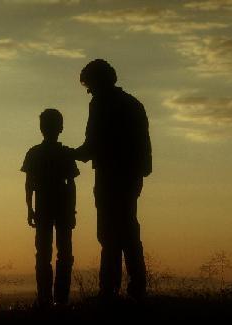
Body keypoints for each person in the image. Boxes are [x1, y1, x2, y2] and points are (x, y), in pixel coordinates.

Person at [74, 59, 152, 302]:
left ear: (97, 83)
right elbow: (145, 146)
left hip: (110, 175)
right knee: (128, 230)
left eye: (89, 85)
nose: (88, 90)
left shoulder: (100, 104)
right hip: (131, 176)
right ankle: (136, 288)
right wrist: (140, 171)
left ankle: (109, 290)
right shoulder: (133, 104)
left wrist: (68, 153)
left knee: (109, 233)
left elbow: (92, 145)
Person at [21, 108, 80, 307]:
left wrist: (30, 208)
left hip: (46, 207)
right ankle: (59, 299)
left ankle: (46, 299)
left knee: (44, 254)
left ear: (41, 128)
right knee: (62, 254)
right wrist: (72, 210)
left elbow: (29, 184)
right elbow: (71, 185)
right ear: (60, 128)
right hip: (59, 207)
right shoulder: (64, 153)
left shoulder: (34, 153)